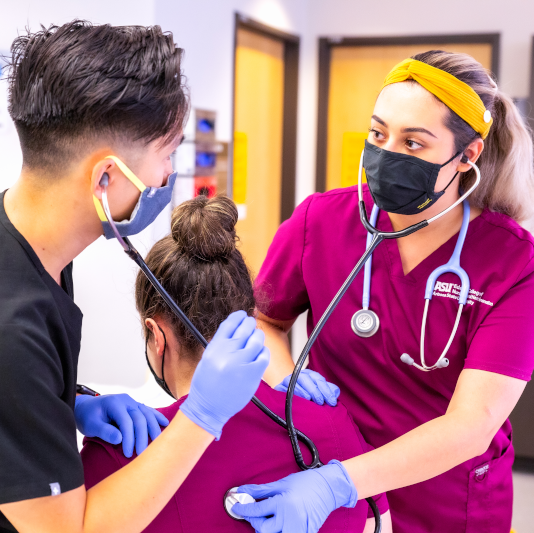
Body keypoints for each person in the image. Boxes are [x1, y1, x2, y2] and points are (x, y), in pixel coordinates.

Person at [234, 50, 534, 533]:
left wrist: (339, 482)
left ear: (468, 155)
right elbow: (264, 320)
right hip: (328, 467)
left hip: (446, 497)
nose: (387, 152)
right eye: (378, 133)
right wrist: (287, 377)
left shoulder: (514, 262)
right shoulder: (321, 221)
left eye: (413, 142)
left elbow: (472, 423)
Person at [0, 21, 271, 533]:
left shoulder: (34, 248)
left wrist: (69, 403)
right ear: (105, 177)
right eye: (166, 156)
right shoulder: (13, 328)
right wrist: (200, 418)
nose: (168, 178)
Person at [80, 194, 392, 533]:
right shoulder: (331, 421)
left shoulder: (119, 452)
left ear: (155, 335)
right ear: (250, 318)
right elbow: (381, 525)